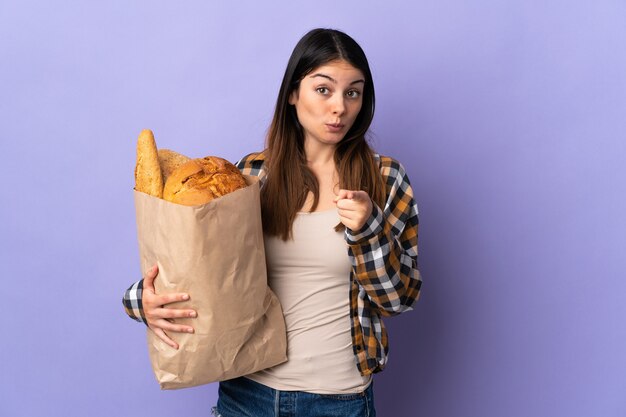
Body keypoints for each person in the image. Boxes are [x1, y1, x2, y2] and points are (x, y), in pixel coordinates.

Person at [123, 28, 422, 417]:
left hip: (340, 400)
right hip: (248, 395)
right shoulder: (251, 176)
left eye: (353, 92)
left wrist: (368, 230)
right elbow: (197, 270)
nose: (339, 108)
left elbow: (399, 299)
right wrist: (140, 302)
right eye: (323, 89)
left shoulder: (385, 179)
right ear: (294, 93)